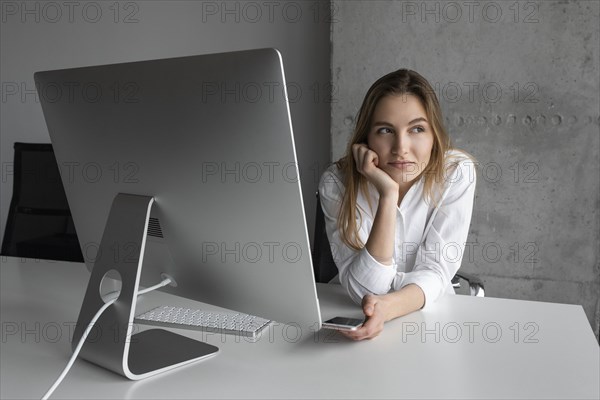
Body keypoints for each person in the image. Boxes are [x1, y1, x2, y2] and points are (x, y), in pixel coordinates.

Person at [318, 69, 477, 341]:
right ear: (367, 137)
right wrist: (387, 195)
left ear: (433, 134)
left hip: (432, 325)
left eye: (416, 129)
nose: (400, 147)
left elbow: (437, 270)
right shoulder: (337, 183)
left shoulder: (456, 173)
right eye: (385, 130)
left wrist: (389, 307)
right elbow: (365, 289)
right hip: (348, 316)